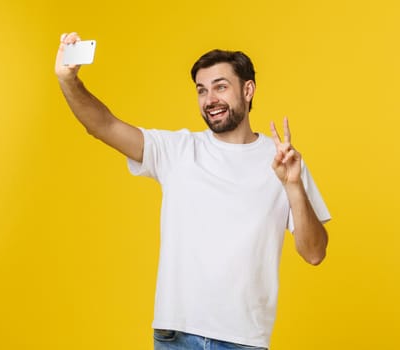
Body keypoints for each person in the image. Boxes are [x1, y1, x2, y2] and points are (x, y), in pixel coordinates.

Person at [55, 32, 331, 350]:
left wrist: (293, 185)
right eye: (202, 90)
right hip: (175, 336)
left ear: (248, 89)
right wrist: (68, 80)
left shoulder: (283, 161)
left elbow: (314, 253)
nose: (209, 99)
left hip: (241, 341)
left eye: (220, 87)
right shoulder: (178, 150)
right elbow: (103, 125)